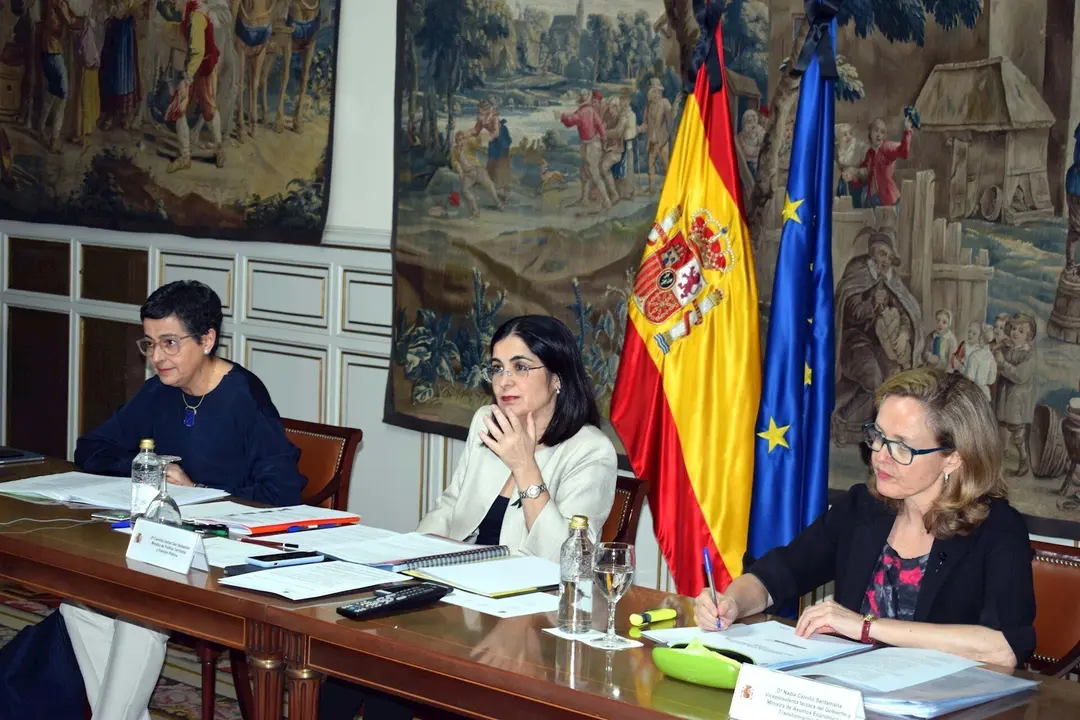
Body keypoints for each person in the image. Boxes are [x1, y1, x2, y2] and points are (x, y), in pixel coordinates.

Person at [320, 314, 618, 720]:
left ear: (557, 378)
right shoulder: (487, 420)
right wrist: (411, 557)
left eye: (520, 367)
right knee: (356, 657)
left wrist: (524, 465)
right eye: (497, 368)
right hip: (455, 590)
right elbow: (450, 505)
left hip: (525, 614)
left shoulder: (590, 451)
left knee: (392, 681)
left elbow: (564, 562)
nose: (504, 381)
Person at [62, 279, 306, 720]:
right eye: (150, 343)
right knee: (79, 603)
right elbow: (92, 448)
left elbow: (282, 497)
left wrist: (198, 494)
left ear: (207, 339)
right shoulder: (161, 390)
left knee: (138, 613)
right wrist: (147, 467)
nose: (157, 357)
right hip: (163, 545)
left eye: (170, 343)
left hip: (227, 552)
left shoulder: (244, 398)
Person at [695, 369, 1034, 669]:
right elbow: (779, 573)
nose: (880, 457)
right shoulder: (863, 508)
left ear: (952, 459)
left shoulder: (998, 529)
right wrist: (731, 602)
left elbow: (1004, 648)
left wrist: (866, 627)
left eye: (902, 447)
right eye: (879, 437)